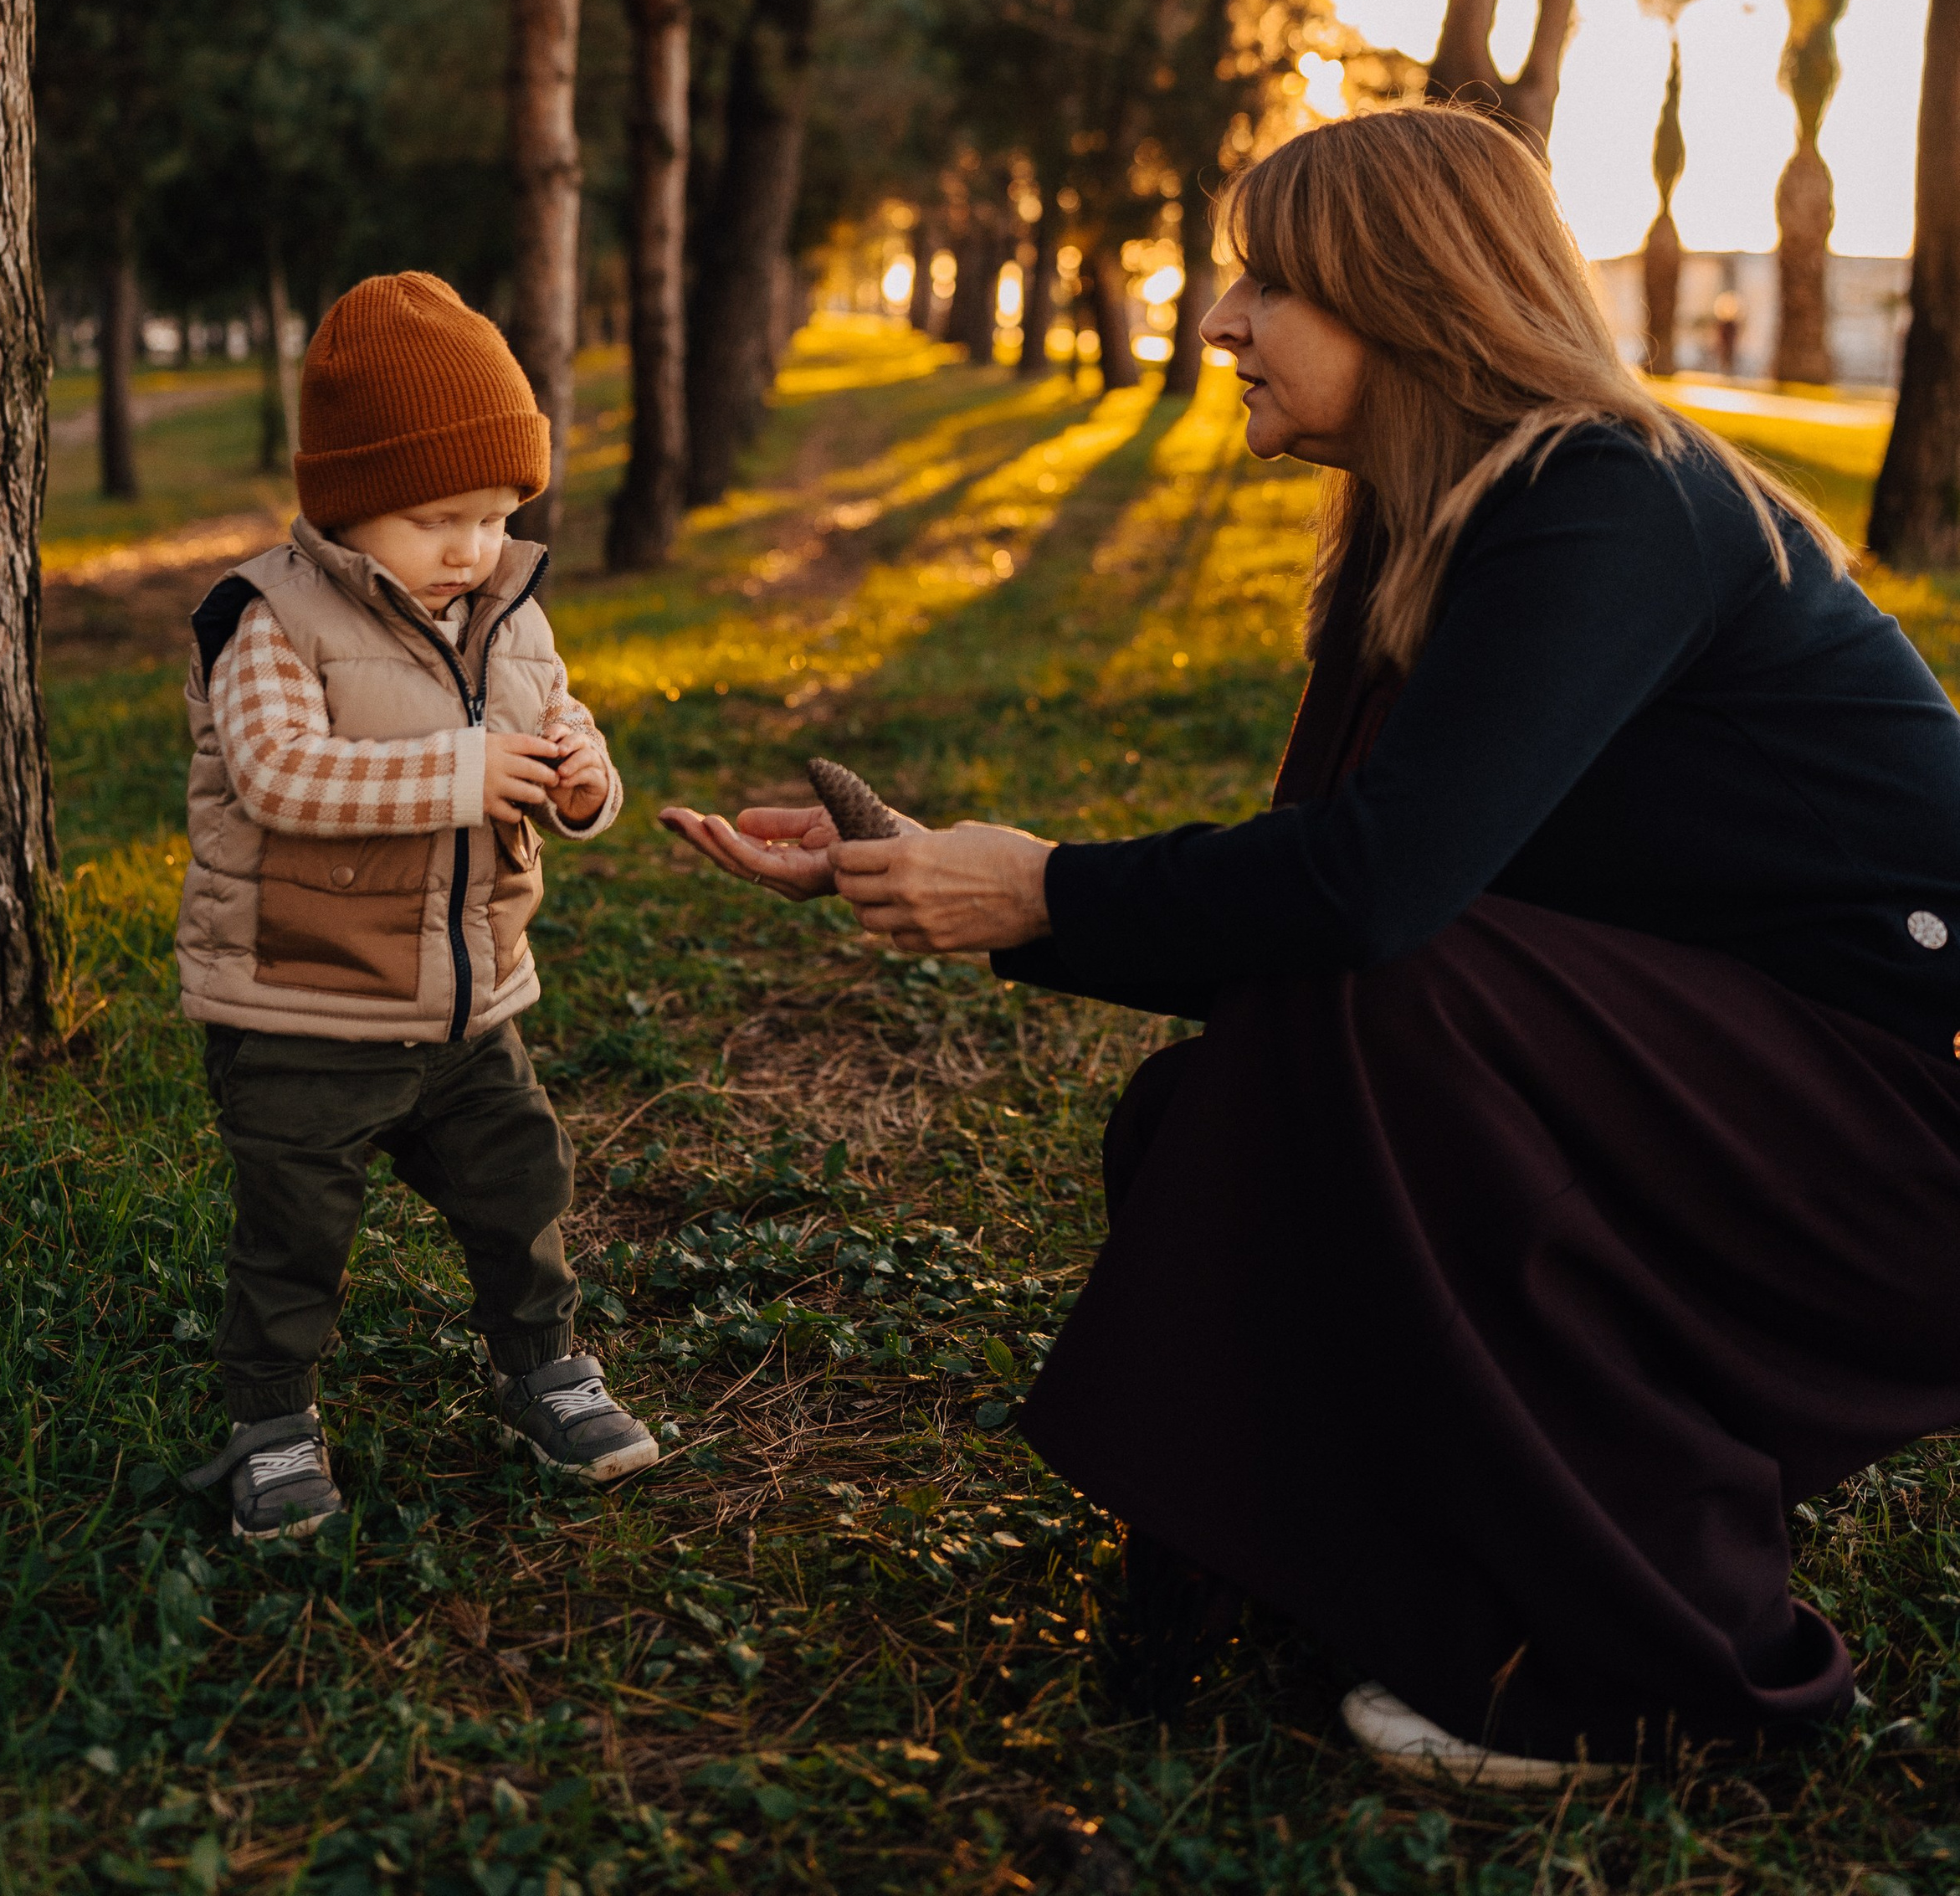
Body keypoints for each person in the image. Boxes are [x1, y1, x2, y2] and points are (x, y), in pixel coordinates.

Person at [664, 106, 1960, 1782]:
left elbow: (1364, 901)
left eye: (1264, 286)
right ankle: (1391, 1573)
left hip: (1870, 1154)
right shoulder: (1424, 536)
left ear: (1405, 297)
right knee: (1210, 1109)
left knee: (1372, 996)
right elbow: (1306, 925)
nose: (1216, 326)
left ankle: (1655, 1671)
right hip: (1696, 1095)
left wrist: (1042, 885)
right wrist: (929, 880)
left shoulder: (1609, 496)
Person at [177, 270, 658, 1542]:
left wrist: (582, 780)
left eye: (499, 513)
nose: (473, 547)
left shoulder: (509, 611)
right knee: (294, 1231)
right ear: (346, 506)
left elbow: (557, 728)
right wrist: (459, 771)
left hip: (467, 1000)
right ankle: (272, 1426)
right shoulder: (269, 617)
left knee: (522, 1181)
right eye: (438, 516)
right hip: (303, 1002)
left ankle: (542, 1365)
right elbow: (278, 776)